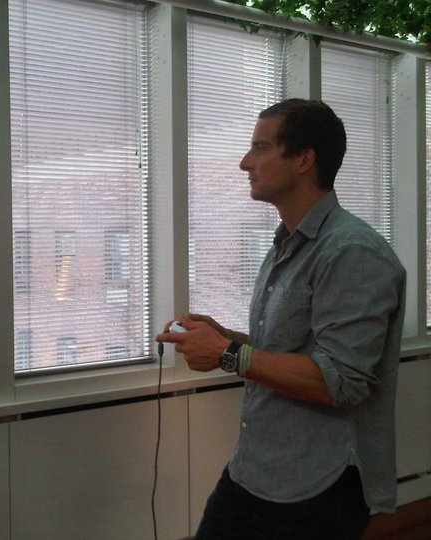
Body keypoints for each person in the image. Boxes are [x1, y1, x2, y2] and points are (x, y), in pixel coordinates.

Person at [157, 98, 406, 540]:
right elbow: (295, 349)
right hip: (256, 468)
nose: (244, 162)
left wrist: (228, 353)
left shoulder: (352, 252)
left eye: (261, 148)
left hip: (317, 486)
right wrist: (225, 337)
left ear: (303, 160)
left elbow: (341, 380)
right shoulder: (286, 244)